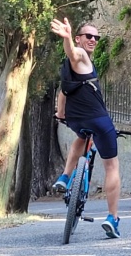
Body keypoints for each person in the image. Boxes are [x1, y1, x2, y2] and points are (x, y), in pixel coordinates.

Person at [50, 18, 123, 239]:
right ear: (79, 39)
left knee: (80, 138)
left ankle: (64, 176)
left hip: (76, 119)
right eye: (88, 36)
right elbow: (73, 53)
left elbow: (63, 92)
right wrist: (67, 38)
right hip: (98, 119)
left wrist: (60, 113)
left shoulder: (68, 72)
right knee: (111, 166)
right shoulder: (80, 57)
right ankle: (112, 218)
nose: (93, 40)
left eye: (96, 37)